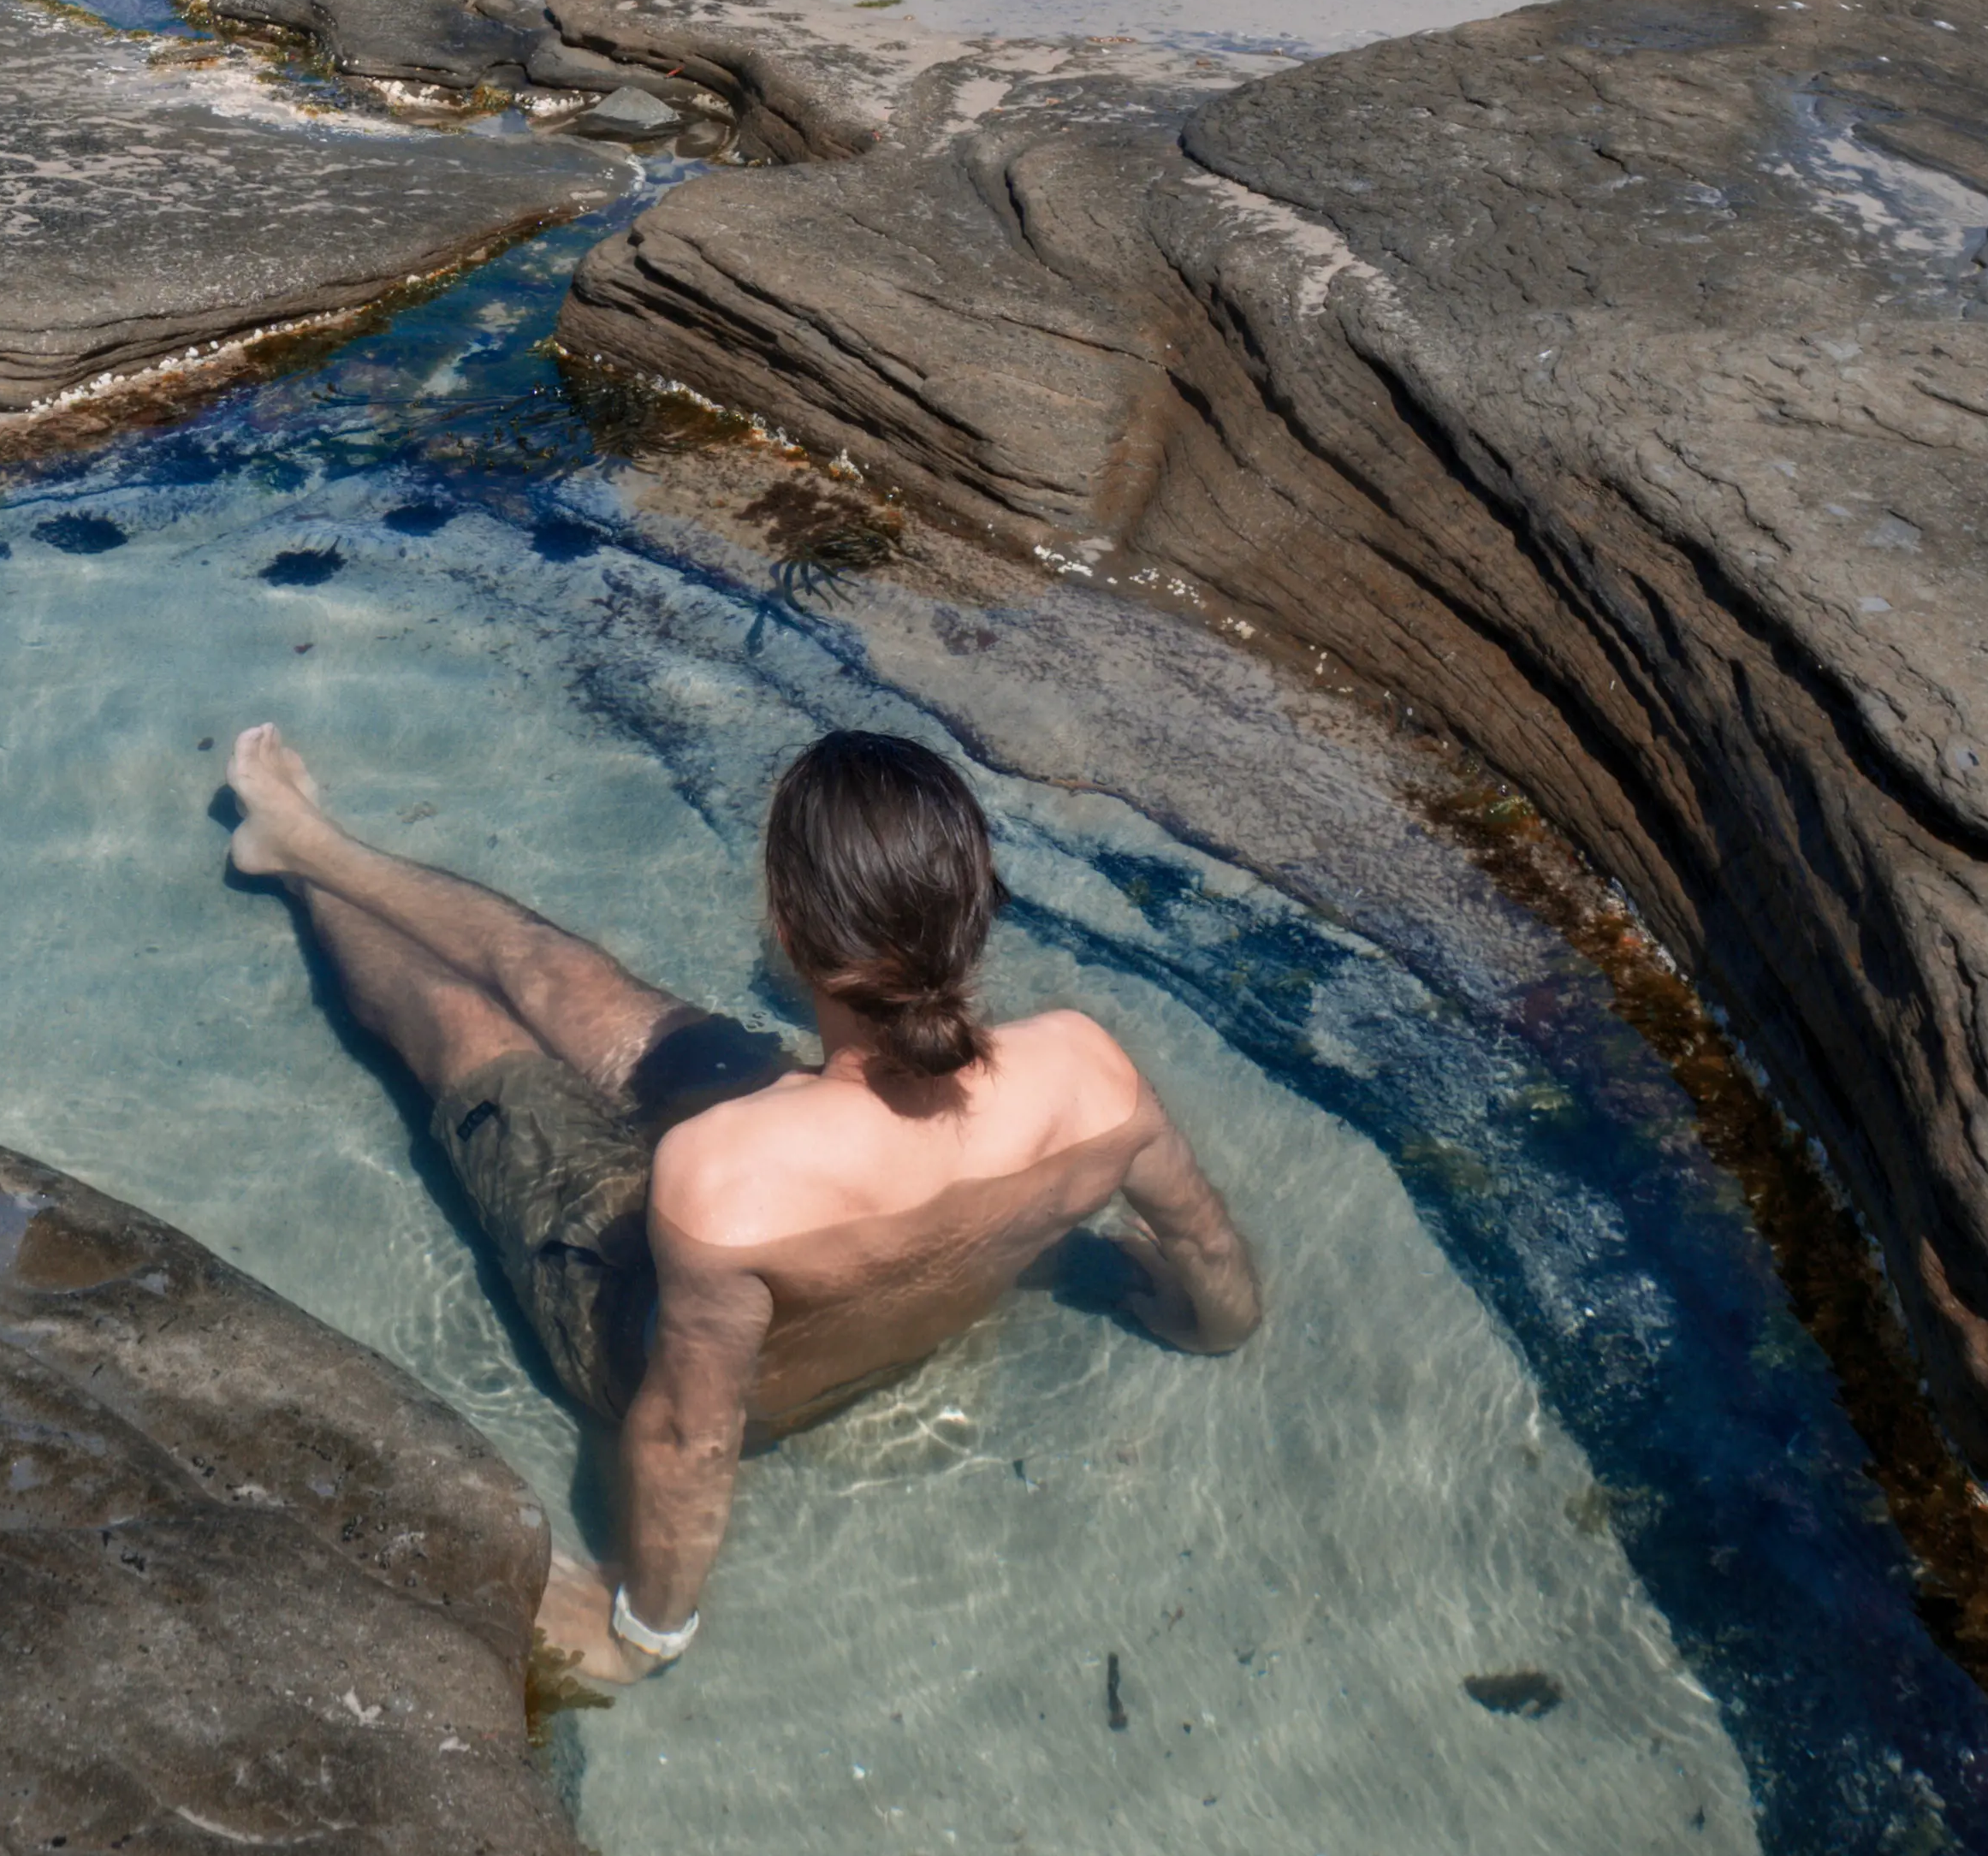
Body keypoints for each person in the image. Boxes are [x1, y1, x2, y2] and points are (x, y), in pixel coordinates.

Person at [224, 715, 1260, 1688]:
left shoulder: (722, 1180)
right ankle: (309, 843)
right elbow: (1203, 1239)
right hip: (815, 1188)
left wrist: (645, 1632)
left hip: (639, 1323)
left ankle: (308, 884)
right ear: (976, 905)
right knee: (566, 978)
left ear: (786, 924)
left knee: (464, 1021)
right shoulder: (1091, 1072)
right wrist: (1208, 1324)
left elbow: (689, 1436)